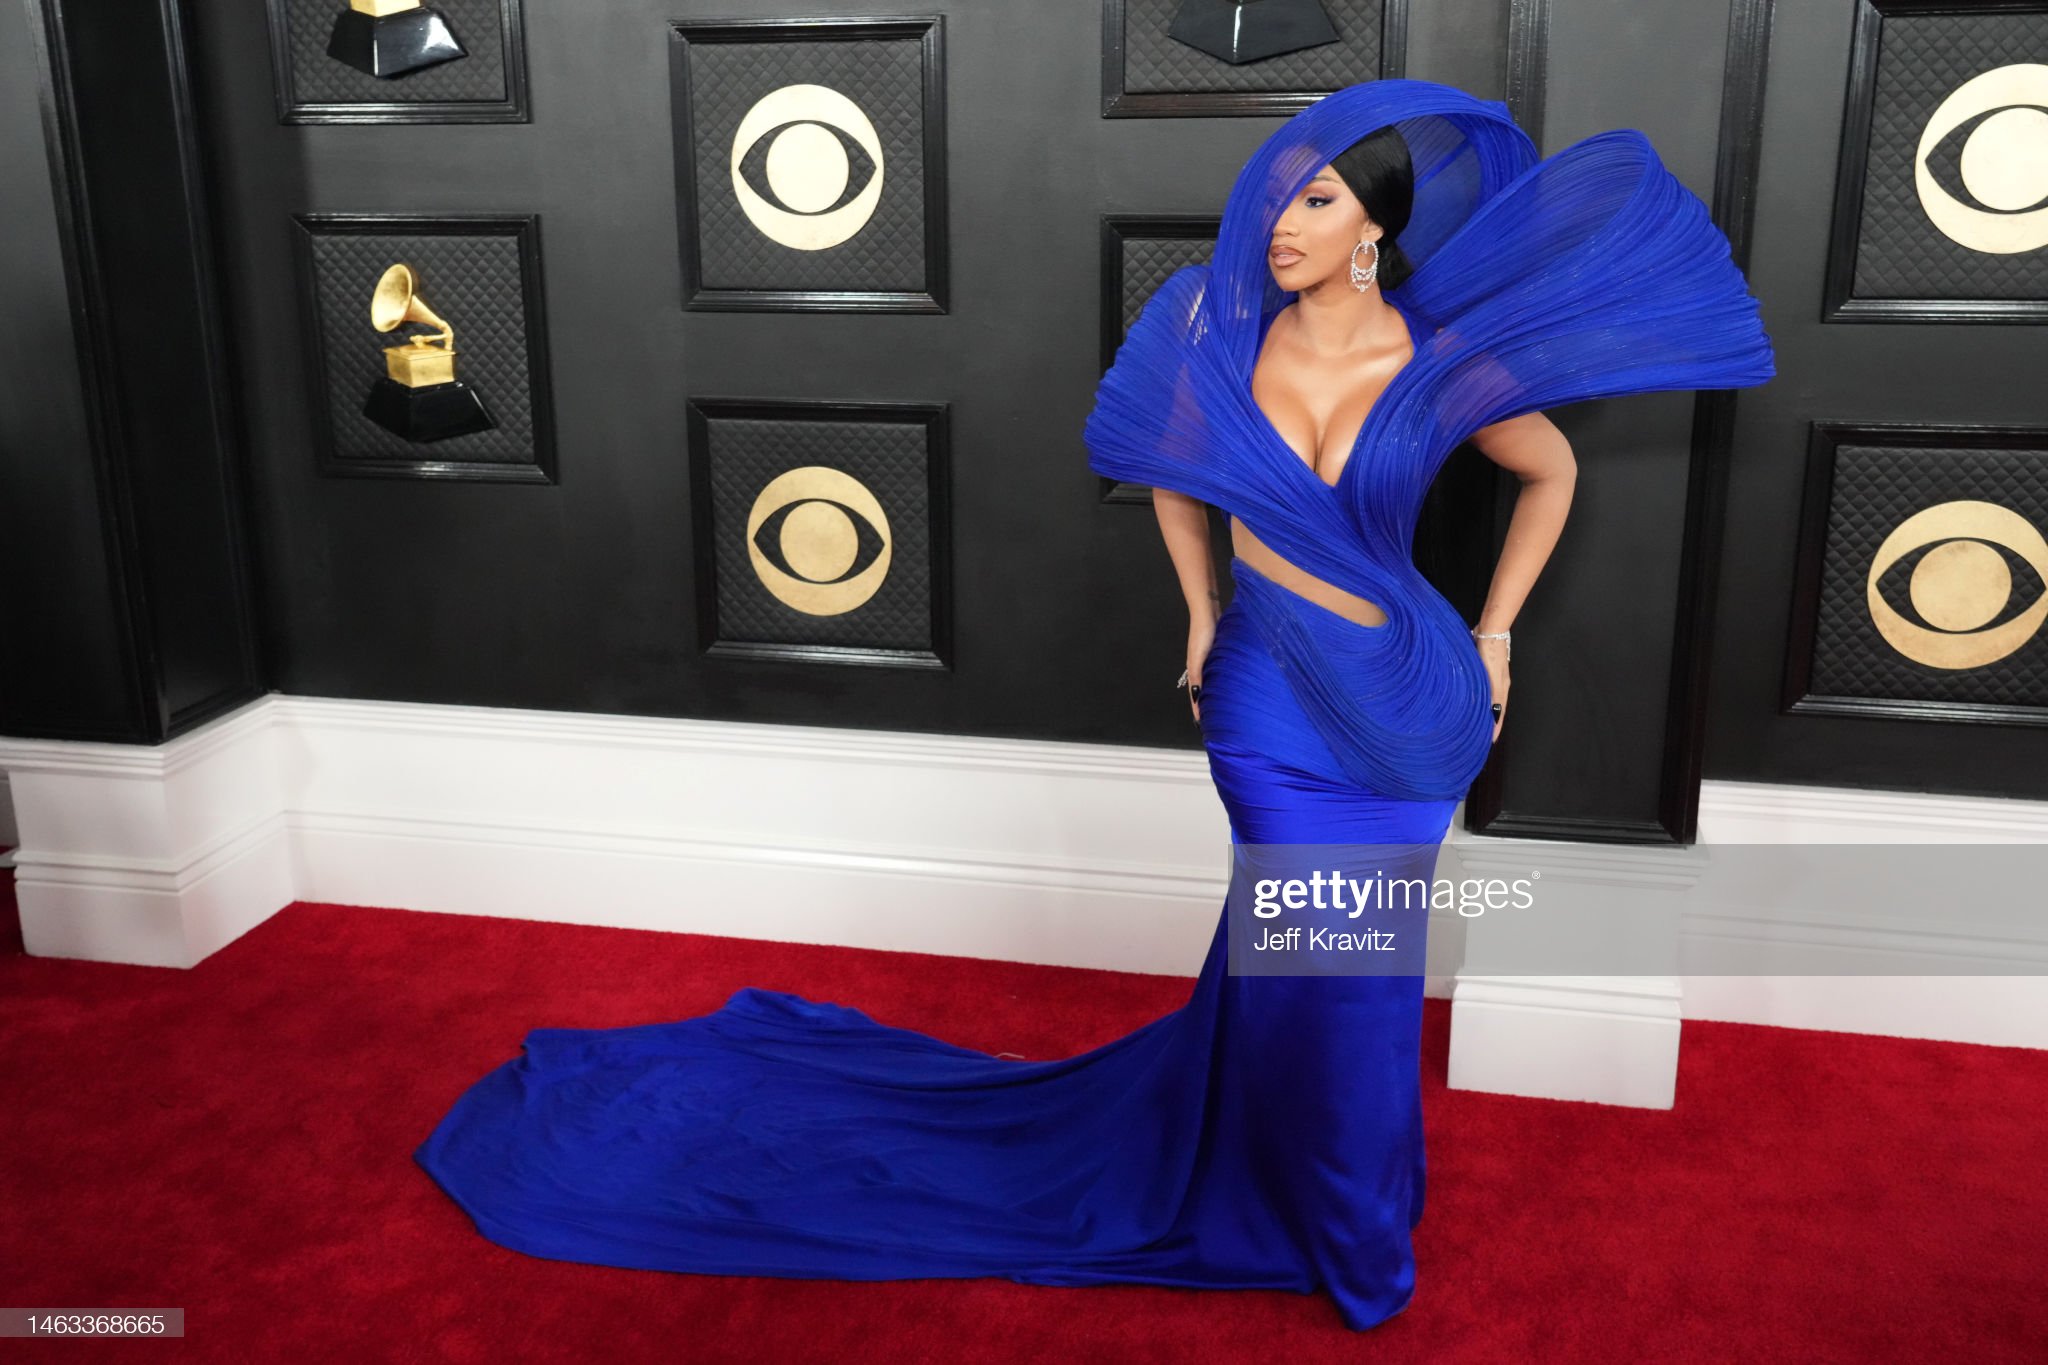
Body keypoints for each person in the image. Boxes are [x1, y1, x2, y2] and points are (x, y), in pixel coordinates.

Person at [413, 78, 1774, 1331]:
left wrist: (1493, 632)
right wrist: (1200, 610)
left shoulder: (1443, 361)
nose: (1282, 223)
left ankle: (1279, 1176)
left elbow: (1551, 474)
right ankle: (1356, 1243)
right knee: (1338, 967)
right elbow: (1170, 473)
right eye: (1278, 196)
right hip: (1268, 701)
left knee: (1341, 963)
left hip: (1412, 701)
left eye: (1315, 201)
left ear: (1373, 226)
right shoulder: (1218, 335)